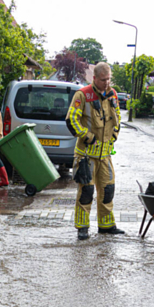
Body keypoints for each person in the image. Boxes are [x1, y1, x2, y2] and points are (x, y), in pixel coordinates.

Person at [67, 62, 123, 240]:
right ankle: (82, 227)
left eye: (109, 79)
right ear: (94, 78)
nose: (107, 83)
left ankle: (106, 226)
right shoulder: (82, 95)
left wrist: (115, 133)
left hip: (105, 155)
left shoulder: (112, 94)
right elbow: (71, 120)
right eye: (103, 80)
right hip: (86, 156)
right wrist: (87, 136)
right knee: (86, 192)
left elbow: (118, 116)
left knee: (108, 190)